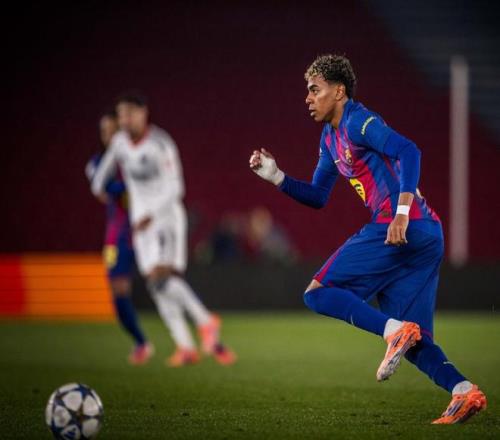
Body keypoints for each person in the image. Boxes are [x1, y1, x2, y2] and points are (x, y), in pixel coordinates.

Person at [249, 54, 486, 424]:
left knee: (318, 293)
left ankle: (393, 331)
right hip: (426, 235)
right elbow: (318, 196)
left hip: (400, 224)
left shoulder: (358, 120)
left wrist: (401, 213)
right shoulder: (330, 139)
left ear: (339, 91)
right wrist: (277, 176)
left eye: (315, 89)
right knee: (417, 341)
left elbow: (409, 150)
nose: (308, 98)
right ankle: (464, 391)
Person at [91, 94, 236, 367]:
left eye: (130, 114)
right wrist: (102, 188)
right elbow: (100, 179)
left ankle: (206, 322)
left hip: (165, 218)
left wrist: (152, 213)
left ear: (143, 113)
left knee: (161, 276)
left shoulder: (160, 143)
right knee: (156, 286)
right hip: (140, 224)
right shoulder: (120, 143)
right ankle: (186, 346)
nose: (125, 120)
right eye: (122, 115)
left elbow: (177, 188)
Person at [86, 110, 152, 365]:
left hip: (146, 229)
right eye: (105, 132)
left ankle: (192, 336)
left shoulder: (137, 158)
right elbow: (103, 188)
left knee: (164, 281)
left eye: (114, 131)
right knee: (118, 290)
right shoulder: (97, 163)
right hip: (118, 234)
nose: (109, 136)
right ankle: (141, 342)